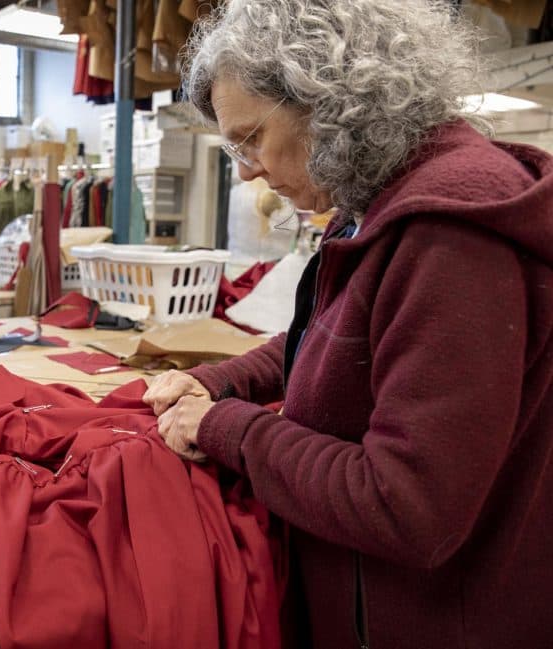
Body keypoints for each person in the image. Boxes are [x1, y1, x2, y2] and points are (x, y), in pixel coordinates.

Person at [143, 1, 553, 647]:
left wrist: (228, 428)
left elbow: (409, 508)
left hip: (431, 622)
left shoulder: (448, 235)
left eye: (251, 138)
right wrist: (223, 379)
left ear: (329, 98)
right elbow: (335, 336)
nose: (246, 169)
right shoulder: (375, 201)